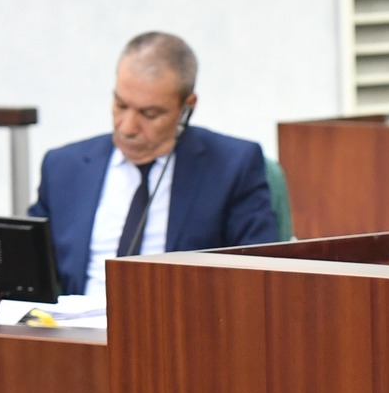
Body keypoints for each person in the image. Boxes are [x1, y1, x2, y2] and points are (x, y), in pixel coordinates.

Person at [30, 32, 279, 297]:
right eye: (120, 105)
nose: (127, 128)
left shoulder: (232, 167)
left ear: (187, 108)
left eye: (149, 114)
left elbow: (258, 280)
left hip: (176, 330)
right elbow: (28, 270)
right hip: (74, 331)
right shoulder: (63, 167)